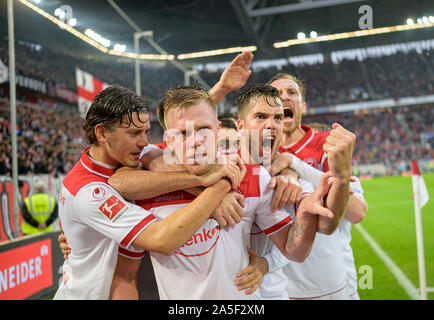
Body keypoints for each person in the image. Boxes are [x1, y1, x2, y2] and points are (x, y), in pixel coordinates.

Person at [107, 86, 334, 300]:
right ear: (168, 139)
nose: (196, 141)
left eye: (203, 129)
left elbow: (295, 252)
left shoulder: (252, 177)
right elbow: (117, 182)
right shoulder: (147, 185)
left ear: (217, 129)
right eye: (183, 132)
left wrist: (304, 215)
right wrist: (206, 186)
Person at [53, 85, 241, 300]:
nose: (143, 142)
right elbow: (162, 240)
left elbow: (180, 134)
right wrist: (217, 188)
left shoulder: (130, 158)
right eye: (134, 133)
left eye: (145, 132)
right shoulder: (89, 192)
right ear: (102, 133)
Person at [234, 84, 356, 299]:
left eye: (278, 118)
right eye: (261, 116)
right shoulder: (218, 171)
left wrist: (341, 176)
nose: (271, 125)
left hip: (274, 293)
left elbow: (325, 227)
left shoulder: (291, 179)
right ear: (240, 126)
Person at [264, 73, 367, 299]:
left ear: (303, 105)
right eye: (276, 94)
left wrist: (294, 165)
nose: (284, 97)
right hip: (282, 285)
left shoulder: (325, 143)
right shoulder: (261, 154)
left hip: (333, 281)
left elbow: (356, 212)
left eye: (292, 92)